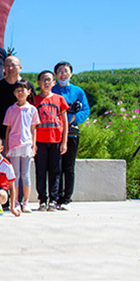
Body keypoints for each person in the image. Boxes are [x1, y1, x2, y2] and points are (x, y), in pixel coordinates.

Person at [52, 61, 90, 210]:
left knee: (68, 166)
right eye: (60, 71)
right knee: (56, 166)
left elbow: (85, 110)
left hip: (72, 133)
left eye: (66, 71)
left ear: (71, 73)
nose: (63, 74)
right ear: (56, 74)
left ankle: (67, 198)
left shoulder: (78, 91)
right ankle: (56, 197)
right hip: (54, 132)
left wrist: (73, 118)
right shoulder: (52, 89)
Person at [34, 70, 69, 211]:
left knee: (55, 171)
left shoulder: (59, 99)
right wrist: (33, 143)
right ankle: (42, 199)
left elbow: (65, 121)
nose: (46, 82)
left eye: (49, 80)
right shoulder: (34, 100)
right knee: (40, 171)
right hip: (40, 141)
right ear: (39, 83)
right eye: (44, 80)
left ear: (54, 82)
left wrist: (64, 141)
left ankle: (53, 200)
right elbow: (32, 123)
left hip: (56, 140)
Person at [3, 80, 39, 214]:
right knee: (15, 175)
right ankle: (16, 201)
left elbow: (33, 129)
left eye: (23, 90)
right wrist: (7, 146)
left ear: (29, 92)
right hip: (14, 145)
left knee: (25, 174)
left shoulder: (32, 109)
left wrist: (33, 145)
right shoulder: (11, 109)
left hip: (27, 145)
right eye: (17, 90)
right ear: (14, 93)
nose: (20, 93)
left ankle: (26, 202)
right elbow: (8, 130)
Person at [0, 56, 35, 140]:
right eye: (7, 66)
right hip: (2, 131)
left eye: (13, 65)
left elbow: (33, 108)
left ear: (20, 67)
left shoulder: (28, 85)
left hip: (23, 133)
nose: (10, 68)